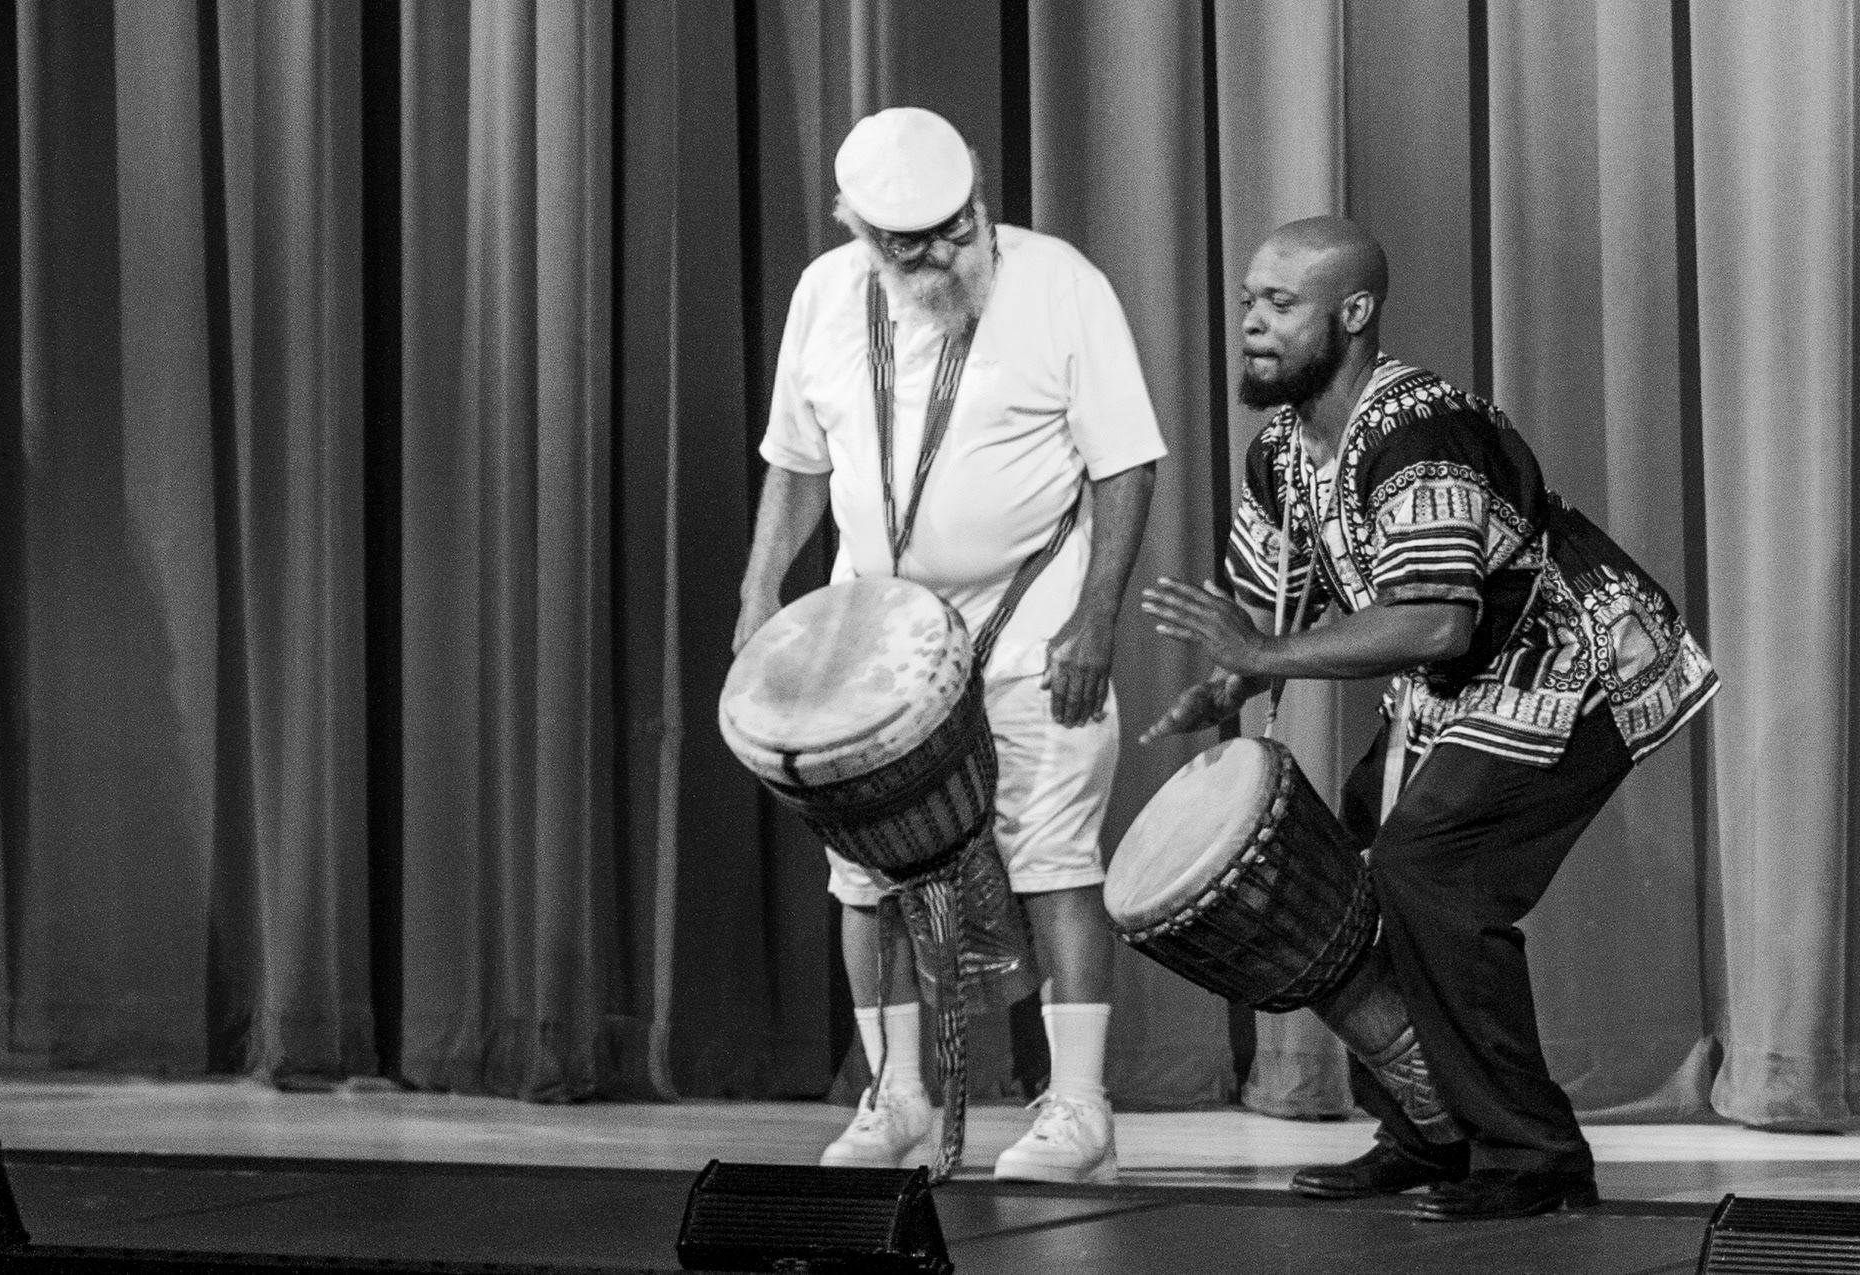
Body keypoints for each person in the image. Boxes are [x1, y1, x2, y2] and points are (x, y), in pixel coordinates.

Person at [1139, 216, 1717, 1221]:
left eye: (1280, 304)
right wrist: (1233, 682)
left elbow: (1441, 622)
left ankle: (1534, 1154)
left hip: (1573, 661)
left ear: (1353, 313)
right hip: (1465, 686)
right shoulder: (1282, 450)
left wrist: (1263, 656)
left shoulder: (1416, 431)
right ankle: (1428, 1130)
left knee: (1433, 868)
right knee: (1352, 848)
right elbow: (1281, 603)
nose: (1252, 325)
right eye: (1247, 303)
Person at [733, 106, 1163, 1184]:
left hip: (1033, 622)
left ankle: (1078, 1110)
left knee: (1054, 856)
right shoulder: (826, 296)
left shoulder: (1062, 282)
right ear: (858, 231)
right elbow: (796, 460)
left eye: (954, 226)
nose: (937, 254)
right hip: (874, 648)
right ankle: (900, 1100)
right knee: (864, 878)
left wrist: (1096, 622)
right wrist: (757, 592)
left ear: (977, 197)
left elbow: (1126, 464)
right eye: (905, 241)